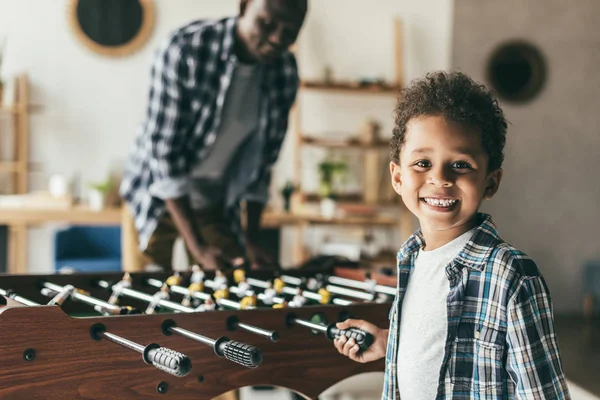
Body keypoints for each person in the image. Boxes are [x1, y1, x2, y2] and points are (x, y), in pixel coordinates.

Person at [333, 71, 570, 399]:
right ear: (398, 177)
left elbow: (543, 393)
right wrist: (390, 342)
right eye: (422, 163)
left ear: (490, 182)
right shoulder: (411, 258)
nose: (439, 178)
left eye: (460, 165)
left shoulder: (511, 275)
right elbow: (444, 342)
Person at [120, 0, 308, 272]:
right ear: (243, 7)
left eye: (290, 32)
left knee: (227, 286)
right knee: (142, 295)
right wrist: (197, 247)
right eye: (267, 23)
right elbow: (164, 155)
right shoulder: (185, 49)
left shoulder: (285, 72)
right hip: (155, 196)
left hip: (213, 203)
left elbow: (262, 165)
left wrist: (251, 240)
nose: (277, 39)